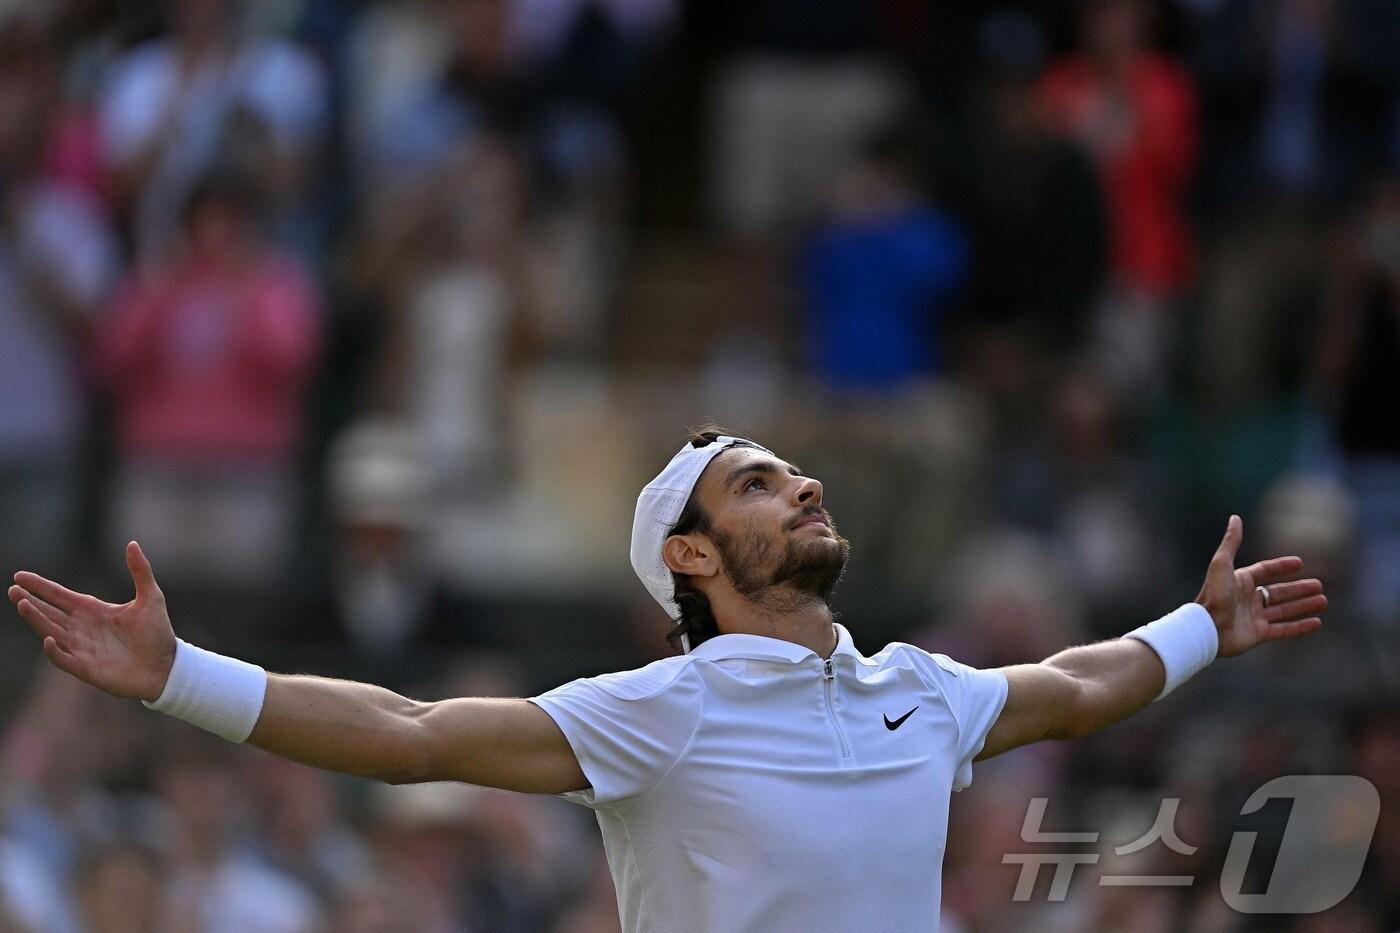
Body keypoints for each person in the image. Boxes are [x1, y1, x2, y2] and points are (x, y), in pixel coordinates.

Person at [8, 430, 1327, 932]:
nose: (803, 481)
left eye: (795, 470)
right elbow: (411, 731)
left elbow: (1077, 684)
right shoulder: (664, 710)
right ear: (692, 556)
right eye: (759, 482)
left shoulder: (922, 684)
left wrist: (1203, 627)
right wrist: (179, 676)